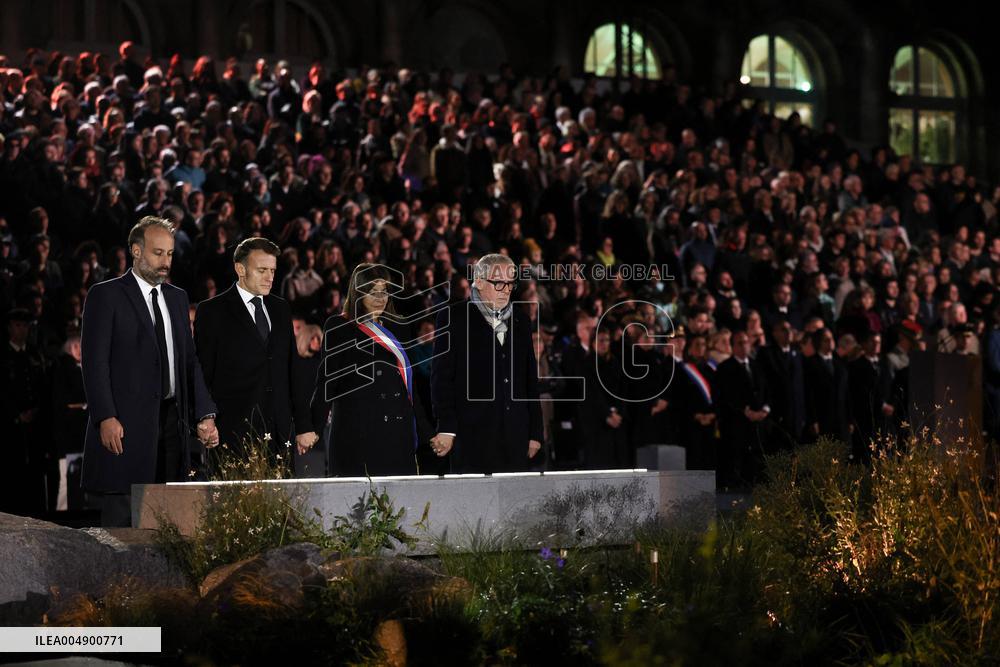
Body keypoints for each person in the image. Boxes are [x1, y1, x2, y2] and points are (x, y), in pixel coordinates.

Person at [80, 217, 218, 527]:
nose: (165, 262)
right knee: (122, 520)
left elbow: (189, 362)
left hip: (172, 423)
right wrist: (105, 416)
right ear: (136, 251)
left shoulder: (177, 298)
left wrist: (205, 413)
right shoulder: (106, 295)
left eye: (169, 254)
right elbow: (94, 362)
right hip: (125, 425)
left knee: (168, 518)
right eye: (158, 253)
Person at [193, 237, 315, 466]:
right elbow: (201, 373)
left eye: (272, 270)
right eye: (262, 270)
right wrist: (204, 419)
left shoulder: (280, 308)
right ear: (240, 269)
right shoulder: (212, 312)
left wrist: (304, 425)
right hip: (233, 433)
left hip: (279, 434)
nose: (270, 277)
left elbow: (292, 369)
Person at [309, 263, 432, 476]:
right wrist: (312, 427)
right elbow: (327, 382)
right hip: (360, 431)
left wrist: (427, 432)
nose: (380, 298)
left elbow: (409, 388)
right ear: (357, 293)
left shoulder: (398, 326)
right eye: (372, 292)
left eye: (384, 291)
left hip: (397, 432)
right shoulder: (340, 326)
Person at [430, 254, 543, 473]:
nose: (506, 290)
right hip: (472, 435)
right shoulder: (454, 317)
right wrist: (447, 428)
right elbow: (441, 379)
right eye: (499, 283)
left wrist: (535, 432)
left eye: (510, 283)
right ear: (479, 282)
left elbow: (529, 380)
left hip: (516, 435)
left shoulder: (521, 320)